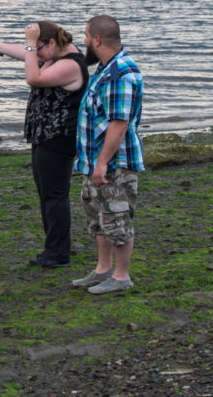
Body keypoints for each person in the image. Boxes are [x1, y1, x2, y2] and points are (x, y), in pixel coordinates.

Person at [0, 21, 88, 268]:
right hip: (44, 135)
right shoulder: (53, 55)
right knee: (47, 195)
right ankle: (55, 247)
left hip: (58, 137)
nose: (33, 53)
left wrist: (29, 47)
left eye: (37, 48)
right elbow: (23, 54)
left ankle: (58, 254)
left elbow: (33, 78)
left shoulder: (70, 64)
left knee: (54, 196)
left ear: (51, 43)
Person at [71, 15, 144, 294]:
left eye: (86, 36)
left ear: (97, 39)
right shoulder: (105, 68)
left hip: (114, 163)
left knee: (117, 217)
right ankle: (102, 270)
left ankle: (121, 276)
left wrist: (102, 162)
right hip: (95, 162)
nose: (85, 41)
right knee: (98, 217)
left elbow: (119, 122)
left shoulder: (121, 73)